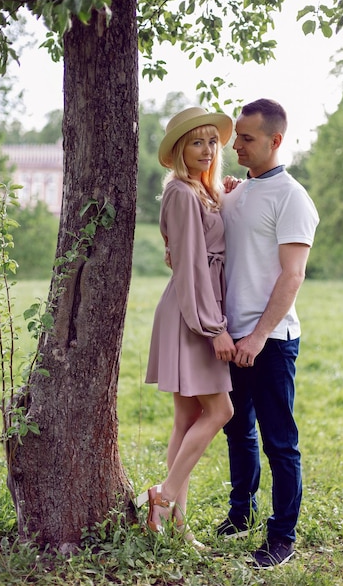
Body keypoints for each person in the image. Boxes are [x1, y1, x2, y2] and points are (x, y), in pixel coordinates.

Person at [218, 98, 320, 568]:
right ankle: (241, 514)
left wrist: (258, 336)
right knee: (238, 431)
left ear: (276, 141)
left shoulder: (293, 197)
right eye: (236, 136)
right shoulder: (237, 191)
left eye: (247, 138)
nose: (235, 144)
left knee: (280, 442)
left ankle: (282, 537)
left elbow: (292, 275)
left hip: (271, 341)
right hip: (229, 336)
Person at [136, 107, 236, 548]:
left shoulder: (203, 190)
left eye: (212, 141)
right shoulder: (180, 192)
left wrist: (227, 193)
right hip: (192, 313)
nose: (207, 149)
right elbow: (193, 267)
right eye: (197, 142)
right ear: (180, 149)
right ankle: (164, 496)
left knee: (185, 418)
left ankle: (176, 524)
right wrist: (214, 327)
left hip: (195, 308)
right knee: (220, 411)